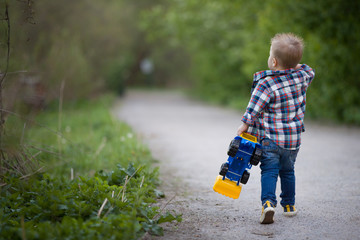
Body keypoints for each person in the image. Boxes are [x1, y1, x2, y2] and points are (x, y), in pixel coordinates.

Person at [236, 33, 315, 224]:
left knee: (269, 171)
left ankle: (268, 204)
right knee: (288, 171)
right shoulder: (302, 76)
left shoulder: (266, 83)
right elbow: (309, 69)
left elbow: (254, 107)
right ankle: (289, 206)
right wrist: (293, 64)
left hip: (270, 139)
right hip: (292, 141)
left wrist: (244, 124)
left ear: (273, 61)